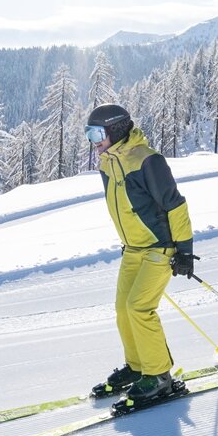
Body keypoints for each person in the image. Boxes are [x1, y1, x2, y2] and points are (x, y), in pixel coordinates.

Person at [86, 103, 196, 403]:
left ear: (116, 130)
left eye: (97, 133)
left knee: (139, 308)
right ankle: (138, 367)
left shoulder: (148, 160)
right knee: (123, 310)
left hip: (159, 249)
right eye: (89, 134)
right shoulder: (108, 162)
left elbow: (175, 204)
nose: (93, 140)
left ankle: (159, 376)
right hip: (132, 249)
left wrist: (184, 251)